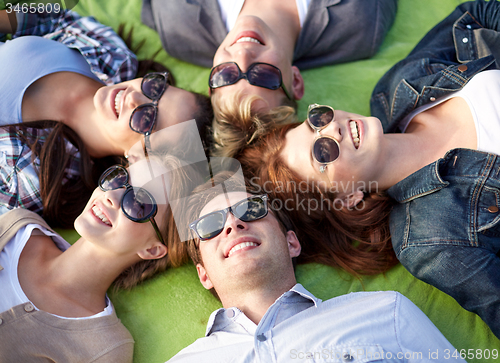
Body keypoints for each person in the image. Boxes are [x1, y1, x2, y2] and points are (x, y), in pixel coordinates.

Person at [237, 0, 500, 338]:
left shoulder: (400, 87)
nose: (332, 129)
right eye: (323, 152)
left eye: (317, 120)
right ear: (347, 198)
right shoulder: (430, 241)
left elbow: (478, 12)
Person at [167, 175, 465, 362]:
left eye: (252, 209)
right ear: (203, 274)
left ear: (291, 243)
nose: (233, 223)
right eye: (209, 226)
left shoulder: (386, 313)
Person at [0, 8, 213, 227]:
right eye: (155, 88)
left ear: (139, 159)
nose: (134, 98)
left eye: (147, 118)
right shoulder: (113, 56)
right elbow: (52, 18)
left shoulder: (40, 179)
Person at [0, 153, 197, 362]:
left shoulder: (104, 349)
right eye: (118, 179)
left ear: (152, 250)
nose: (111, 196)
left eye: (138, 203)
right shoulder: (18, 226)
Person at [141, 0, 397, 154]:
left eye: (226, 75)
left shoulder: (177, 26)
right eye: (262, 75)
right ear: (295, 81)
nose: (242, 55)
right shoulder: (363, 23)